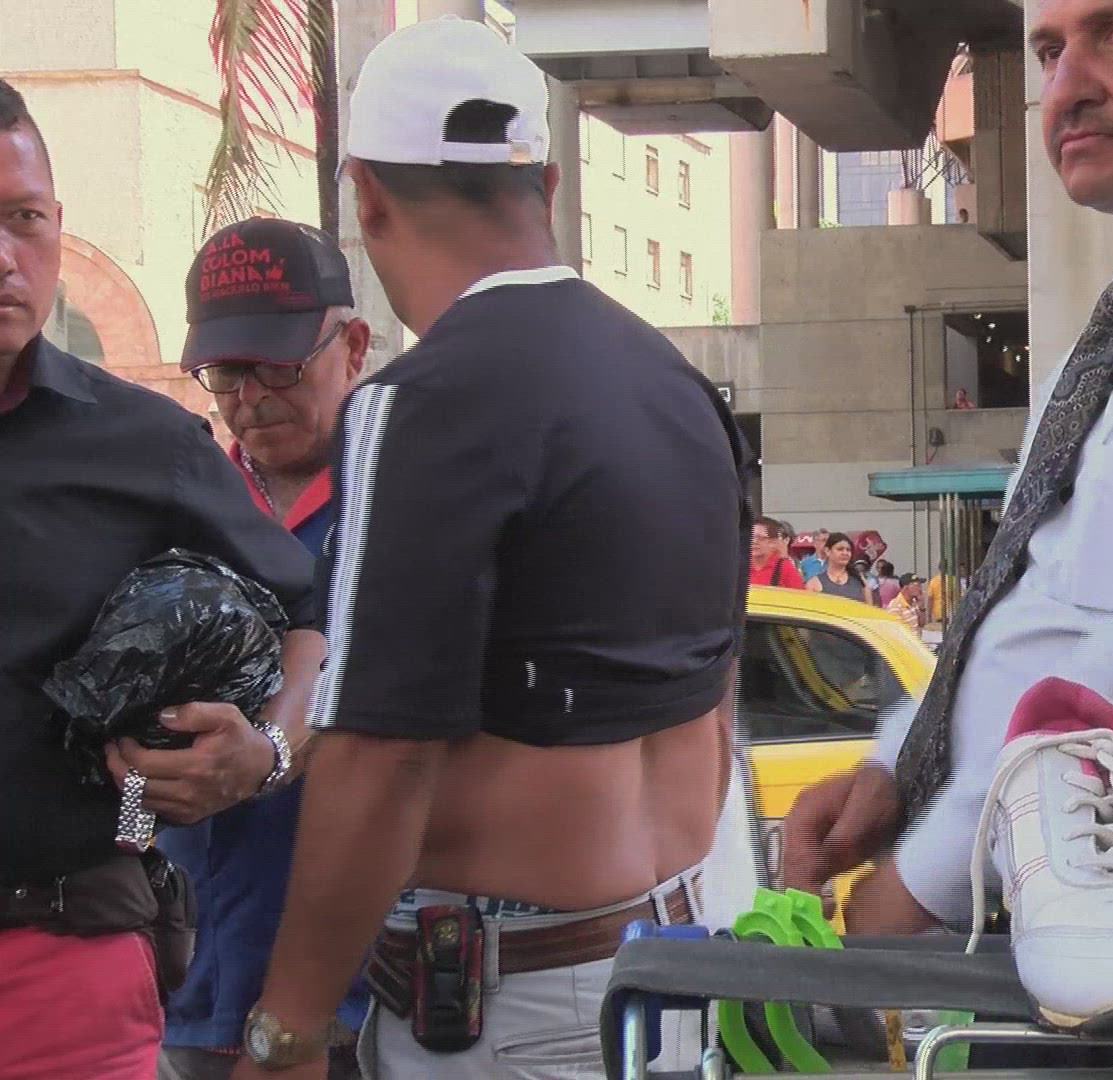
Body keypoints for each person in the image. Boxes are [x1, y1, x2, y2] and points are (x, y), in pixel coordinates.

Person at [232, 19, 748, 1078]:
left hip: (513, 1002)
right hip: (675, 967)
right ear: (546, 184)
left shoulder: (421, 404)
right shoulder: (680, 388)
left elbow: (382, 753)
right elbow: (715, 688)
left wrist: (284, 1036)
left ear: (367, 195)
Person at [782, 0, 1113, 934]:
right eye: (1048, 50)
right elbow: (1022, 599)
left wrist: (932, 879)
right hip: (1032, 909)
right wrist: (896, 767)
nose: (1066, 86)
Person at [0, 78, 323, 1080]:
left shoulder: (146, 443)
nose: (6, 257)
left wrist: (267, 750)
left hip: (63, 966)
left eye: (24, 219)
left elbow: (311, 613)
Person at [160, 219, 371, 1080]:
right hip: (191, 978)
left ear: (352, 347)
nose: (249, 397)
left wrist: (273, 751)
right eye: (225, 373)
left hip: (367, 997)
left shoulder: (407, 503)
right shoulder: (179, 507)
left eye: (279, 366)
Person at [806, 532, 875, 604]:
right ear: (827, 551)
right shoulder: (814, 583)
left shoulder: (860, 580)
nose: (845, 553)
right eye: (840, 549)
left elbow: (869, 608)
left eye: (848, 550)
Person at [750, 515, 804, 588]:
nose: (754, 541)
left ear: (773, 542)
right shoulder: (738, 567)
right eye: (751, 536)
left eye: (761, 538)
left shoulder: (784, 568)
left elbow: (799, 593)